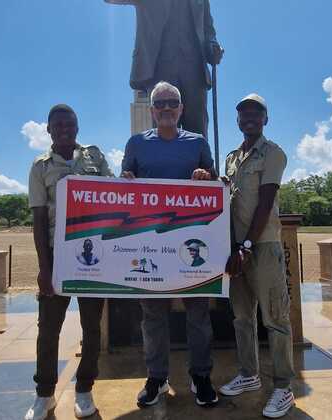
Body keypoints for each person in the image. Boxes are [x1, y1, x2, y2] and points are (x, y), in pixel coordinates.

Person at [121, 81, 219, 407]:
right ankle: (157, 377)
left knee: (198, 315)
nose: (165, 108)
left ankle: (200, 376)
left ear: (181, 109)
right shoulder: (136, 144)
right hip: (149, 244)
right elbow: (125, 190)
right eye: (159, 103)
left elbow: (215, 183)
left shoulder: (198, 143)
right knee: (152, 316)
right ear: (151, 111)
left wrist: (206, 177)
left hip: (192, 243)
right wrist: (127, 182)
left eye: (171, 103)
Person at [25, 104, 113, 420]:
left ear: (77, 127)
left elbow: (115, 193)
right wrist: (44, 268)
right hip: (56, 255)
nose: (64, 129)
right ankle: (44, 394)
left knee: (92, 328)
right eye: (58, 125)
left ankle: (85, 389)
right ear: (49, 130)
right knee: (48, 330)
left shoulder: (94, 157)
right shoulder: (40, 166)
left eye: (70, 124)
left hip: (94, 255)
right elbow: (38, 219)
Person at [220, 94, 295, 418]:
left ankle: (283, 387)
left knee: (275, 319)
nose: (249, 117)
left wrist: (246, 247)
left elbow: (265, 204)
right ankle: (249, 375)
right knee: (242, 318)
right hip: (236, 249)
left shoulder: (273, 153)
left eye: (255, 113)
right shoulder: (232, 158)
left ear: (266, 119)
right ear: (237, 120)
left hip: (260, 247)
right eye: (243, 114)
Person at [105, 0, 223, 138]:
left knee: (197, 131)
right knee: (163, 129)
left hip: (195, 70)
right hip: (159, 67)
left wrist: (213, 45)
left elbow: (208, 29)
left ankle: (200, 160)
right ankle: (163, 159)